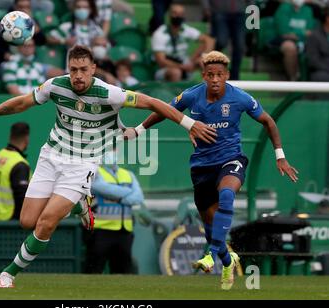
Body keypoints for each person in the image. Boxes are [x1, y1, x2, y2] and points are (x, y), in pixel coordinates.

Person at [0, 45, 217, 288]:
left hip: (81, 164)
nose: (78, 75)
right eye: (73, 69)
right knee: (27, 221)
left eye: (83, 69)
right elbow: (21, 103)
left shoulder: (109, 93)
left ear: (93, 68)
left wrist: (189, 123)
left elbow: (152, 102)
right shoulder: (55, 86)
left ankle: (9, 273)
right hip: (50, 156)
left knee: (46, 222)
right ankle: (78, 204)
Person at [125, 51, 298, 290]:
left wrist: (280, 156)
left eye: (219, 75)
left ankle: (210, 254)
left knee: (227, 195)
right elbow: (164, 110)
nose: (215, 79)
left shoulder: (240, 98)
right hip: (202, 166)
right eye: (210, 75)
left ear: (227, 75)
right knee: (209, 223)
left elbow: (268, 121)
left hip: (231, 159)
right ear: (203, 76)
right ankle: (226, 260)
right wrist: (138, 129)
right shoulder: (191, 95)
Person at [84, 149, 144, 274]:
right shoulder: (95, 173)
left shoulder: (128, 174)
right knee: (94, 271)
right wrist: (127, 194)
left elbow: (138, 198)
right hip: (100, 231)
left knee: (123, 273)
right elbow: (105, 189)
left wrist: (118, 196)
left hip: (124, 232)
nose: (111, 153)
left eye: (113, 149)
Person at [151, 2, 215, 82]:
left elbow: (209, 40)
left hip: (185, 64)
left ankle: (207, 91)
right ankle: (176, 94)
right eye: (175, 13)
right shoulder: (160, 33)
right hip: (164, 69)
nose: (178, 16)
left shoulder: (185, 29)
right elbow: (161, 61)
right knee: (176, 72)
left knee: (204, 62)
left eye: (181, 14)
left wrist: (203, 56)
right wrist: (182, 67)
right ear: (169, 15)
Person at [0, 122, 31, 221]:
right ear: (27, 139)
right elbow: (22, 199)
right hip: (9, 224)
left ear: (10, 136)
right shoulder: (19, 164)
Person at [201, 0, 252, 80]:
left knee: (239, 45)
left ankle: (234, 77)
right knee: (221, 42)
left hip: (240, 13)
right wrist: (206, 7)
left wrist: (252, 6)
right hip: (219, 11)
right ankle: (214, 69)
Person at [0, 0, 47, 68]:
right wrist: (12, 58)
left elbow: (42, 41)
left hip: (31, 62)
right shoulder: (4, 23)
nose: (24, 10)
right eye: (21, 7)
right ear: (15, 7)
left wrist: (31, 22)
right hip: (9, 62)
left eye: (27, 7)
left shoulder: (33, 22)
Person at [271, 0, 316, 81]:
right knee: (289, 46)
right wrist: (302, 32)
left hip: (305, 41)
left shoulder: (308, 10)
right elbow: (284, 32)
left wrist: (294, 32)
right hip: (284, 40)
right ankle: (293, 79)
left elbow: (310, 32)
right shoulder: (284, 8)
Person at [305, 6, 329, 82]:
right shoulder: (314, 36)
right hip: (322, 71)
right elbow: (313, 61)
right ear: (327, 18)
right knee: (322, 77)